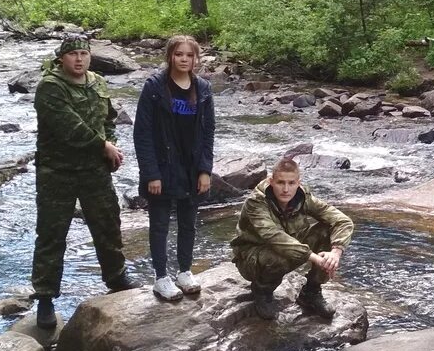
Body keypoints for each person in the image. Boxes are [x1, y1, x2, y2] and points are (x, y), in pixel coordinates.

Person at [31, 35, 139, 330]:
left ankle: (116, 278)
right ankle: (45, 297)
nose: (79, 59)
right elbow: (70, 128)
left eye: (83, 54)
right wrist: (104, 146)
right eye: (73, 55)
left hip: (94, 171)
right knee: (52, 234)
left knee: (107, 224)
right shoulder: (50, 87)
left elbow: (109, 120)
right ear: (62, 58)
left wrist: (112, 147)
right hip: (58, 172)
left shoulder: (97, 82)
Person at [133, 35, 215, 302]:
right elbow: (142, 133)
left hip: (191, 168)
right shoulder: (155, 87)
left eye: (189, 55)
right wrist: (151, 173)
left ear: (195, 59)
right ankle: (160, 277)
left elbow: (208, 132)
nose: (183, 59)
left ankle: (184, 271)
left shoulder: (202, 89)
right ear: (169, 56)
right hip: (163, 166)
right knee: (159, 225)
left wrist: (205, 169)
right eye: (179, 54)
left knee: (188, 224)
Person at [230, 157, 354, 320]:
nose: (286, 189)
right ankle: (262, 291)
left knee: (326, 230)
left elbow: (343, 221)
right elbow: (274, 237)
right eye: (281, 183)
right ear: (271, 181)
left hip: (291, 248)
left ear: (298, 183)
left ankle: (311, 292)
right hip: (252, 258)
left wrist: (335, 253)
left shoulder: (303, 197)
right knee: (278, 254)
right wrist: (316, 258)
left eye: (291, 183)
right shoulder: (256, 202)